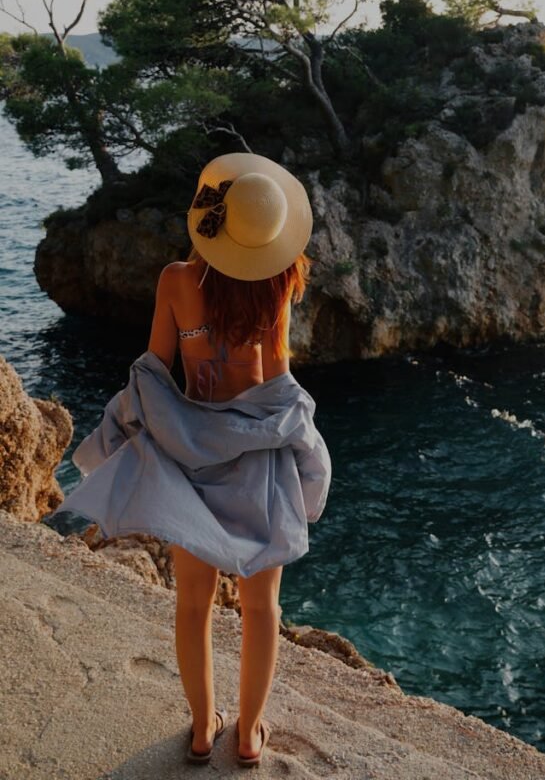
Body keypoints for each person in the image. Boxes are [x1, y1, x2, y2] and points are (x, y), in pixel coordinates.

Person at [46, 152, 332, 769]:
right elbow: (277, 385)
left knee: (193, 603)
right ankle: (251, 732)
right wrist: (304, 443)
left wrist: (130, 431)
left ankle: (204, 729)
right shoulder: (277, 286)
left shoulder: (176, 280)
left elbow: (153, 371)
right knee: (261, 607)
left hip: (187, 461)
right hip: (256, 463)